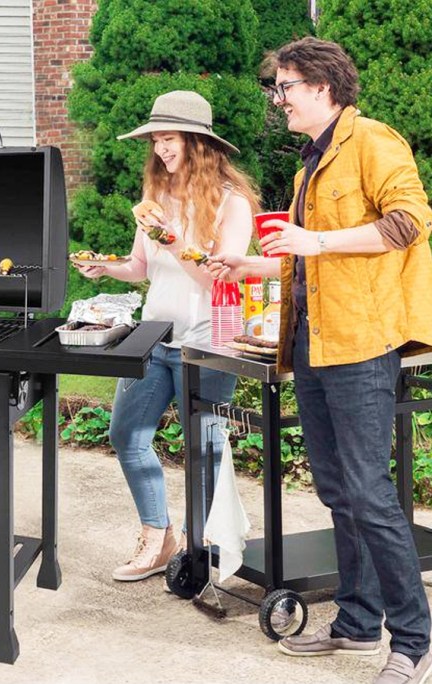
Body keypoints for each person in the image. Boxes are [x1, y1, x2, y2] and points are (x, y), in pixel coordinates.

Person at [208, 37, 432, 684]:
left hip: (362, 345)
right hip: (311, 343)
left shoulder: (374, 143)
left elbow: (410, 221)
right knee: (337, 490)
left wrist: (318, 237)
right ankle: (359, 625)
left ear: (323, 89)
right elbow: (311, 258)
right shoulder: (311, 164)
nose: (277, 99)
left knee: (369, 492)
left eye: (284, 87)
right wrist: (251, 263)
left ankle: (413, 640)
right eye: (277, 87)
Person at [76, 90, 259, 582]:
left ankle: (203, 550)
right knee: (127, 435)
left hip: (210, 339)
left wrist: (173, 240)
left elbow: (220, 277)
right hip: (154, 336)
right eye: (156, 140)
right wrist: (104, 266)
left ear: (197, 142)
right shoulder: (155, 200)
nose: (160, 149)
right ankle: (159, 537)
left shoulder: (232, 203)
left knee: (206, 447)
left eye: (169, 138)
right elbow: (140, 267)